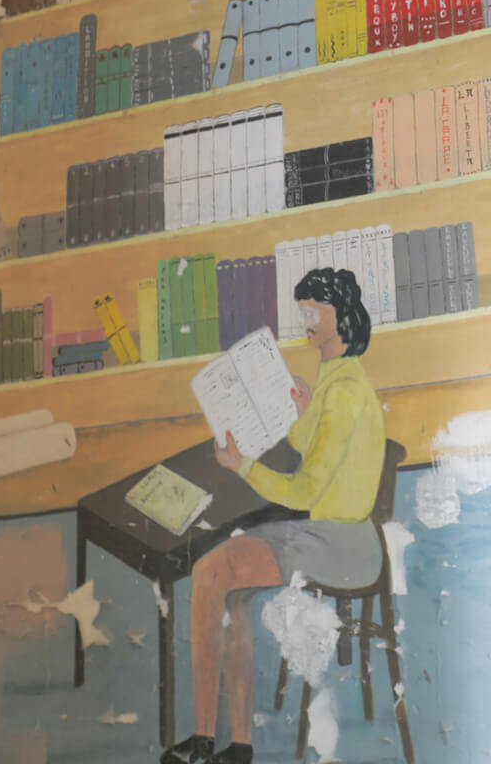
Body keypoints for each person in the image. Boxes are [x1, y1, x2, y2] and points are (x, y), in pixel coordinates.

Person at [163, 267, 388, 764]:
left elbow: (305, 488)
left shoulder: (345, 391)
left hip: (339, 544)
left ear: (339, 316)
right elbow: (312, 444)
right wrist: (304, 411)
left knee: (210, 572)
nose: (304, 321)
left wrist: (241, 465)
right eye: (302, 310)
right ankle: (236, 744)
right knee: (230, 589)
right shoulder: (337, 372)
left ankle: (203, 738)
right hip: (331, 531)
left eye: (312, 312)